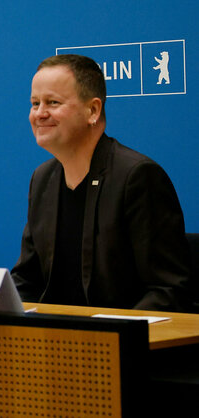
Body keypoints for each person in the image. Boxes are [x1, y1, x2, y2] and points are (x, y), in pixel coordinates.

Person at [12, 54, 190, 312]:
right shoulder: (43, 179)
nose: (39, 114)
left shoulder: (137, 177)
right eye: (34, 103)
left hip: (123, 344)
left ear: (93, 110)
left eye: (52, 102)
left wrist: (113, 333)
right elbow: (27, 280)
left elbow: (168, 290)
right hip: (55, 342)